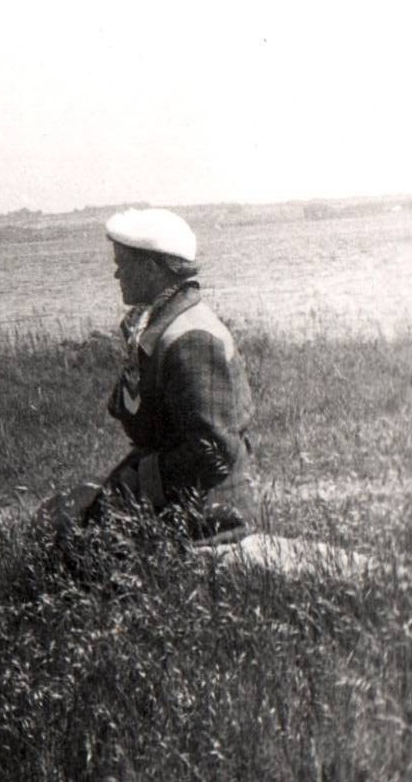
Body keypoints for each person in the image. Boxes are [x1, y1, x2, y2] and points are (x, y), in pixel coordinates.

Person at [52, 207, 258, 549]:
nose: (116, 274)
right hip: (181, 501)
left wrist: (126, 489)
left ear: (151, 268)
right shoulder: (160, 325)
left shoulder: (190, 338)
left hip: (209, 519)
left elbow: (212, 454)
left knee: (69, 545)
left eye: (123, 263)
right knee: (62, 518)